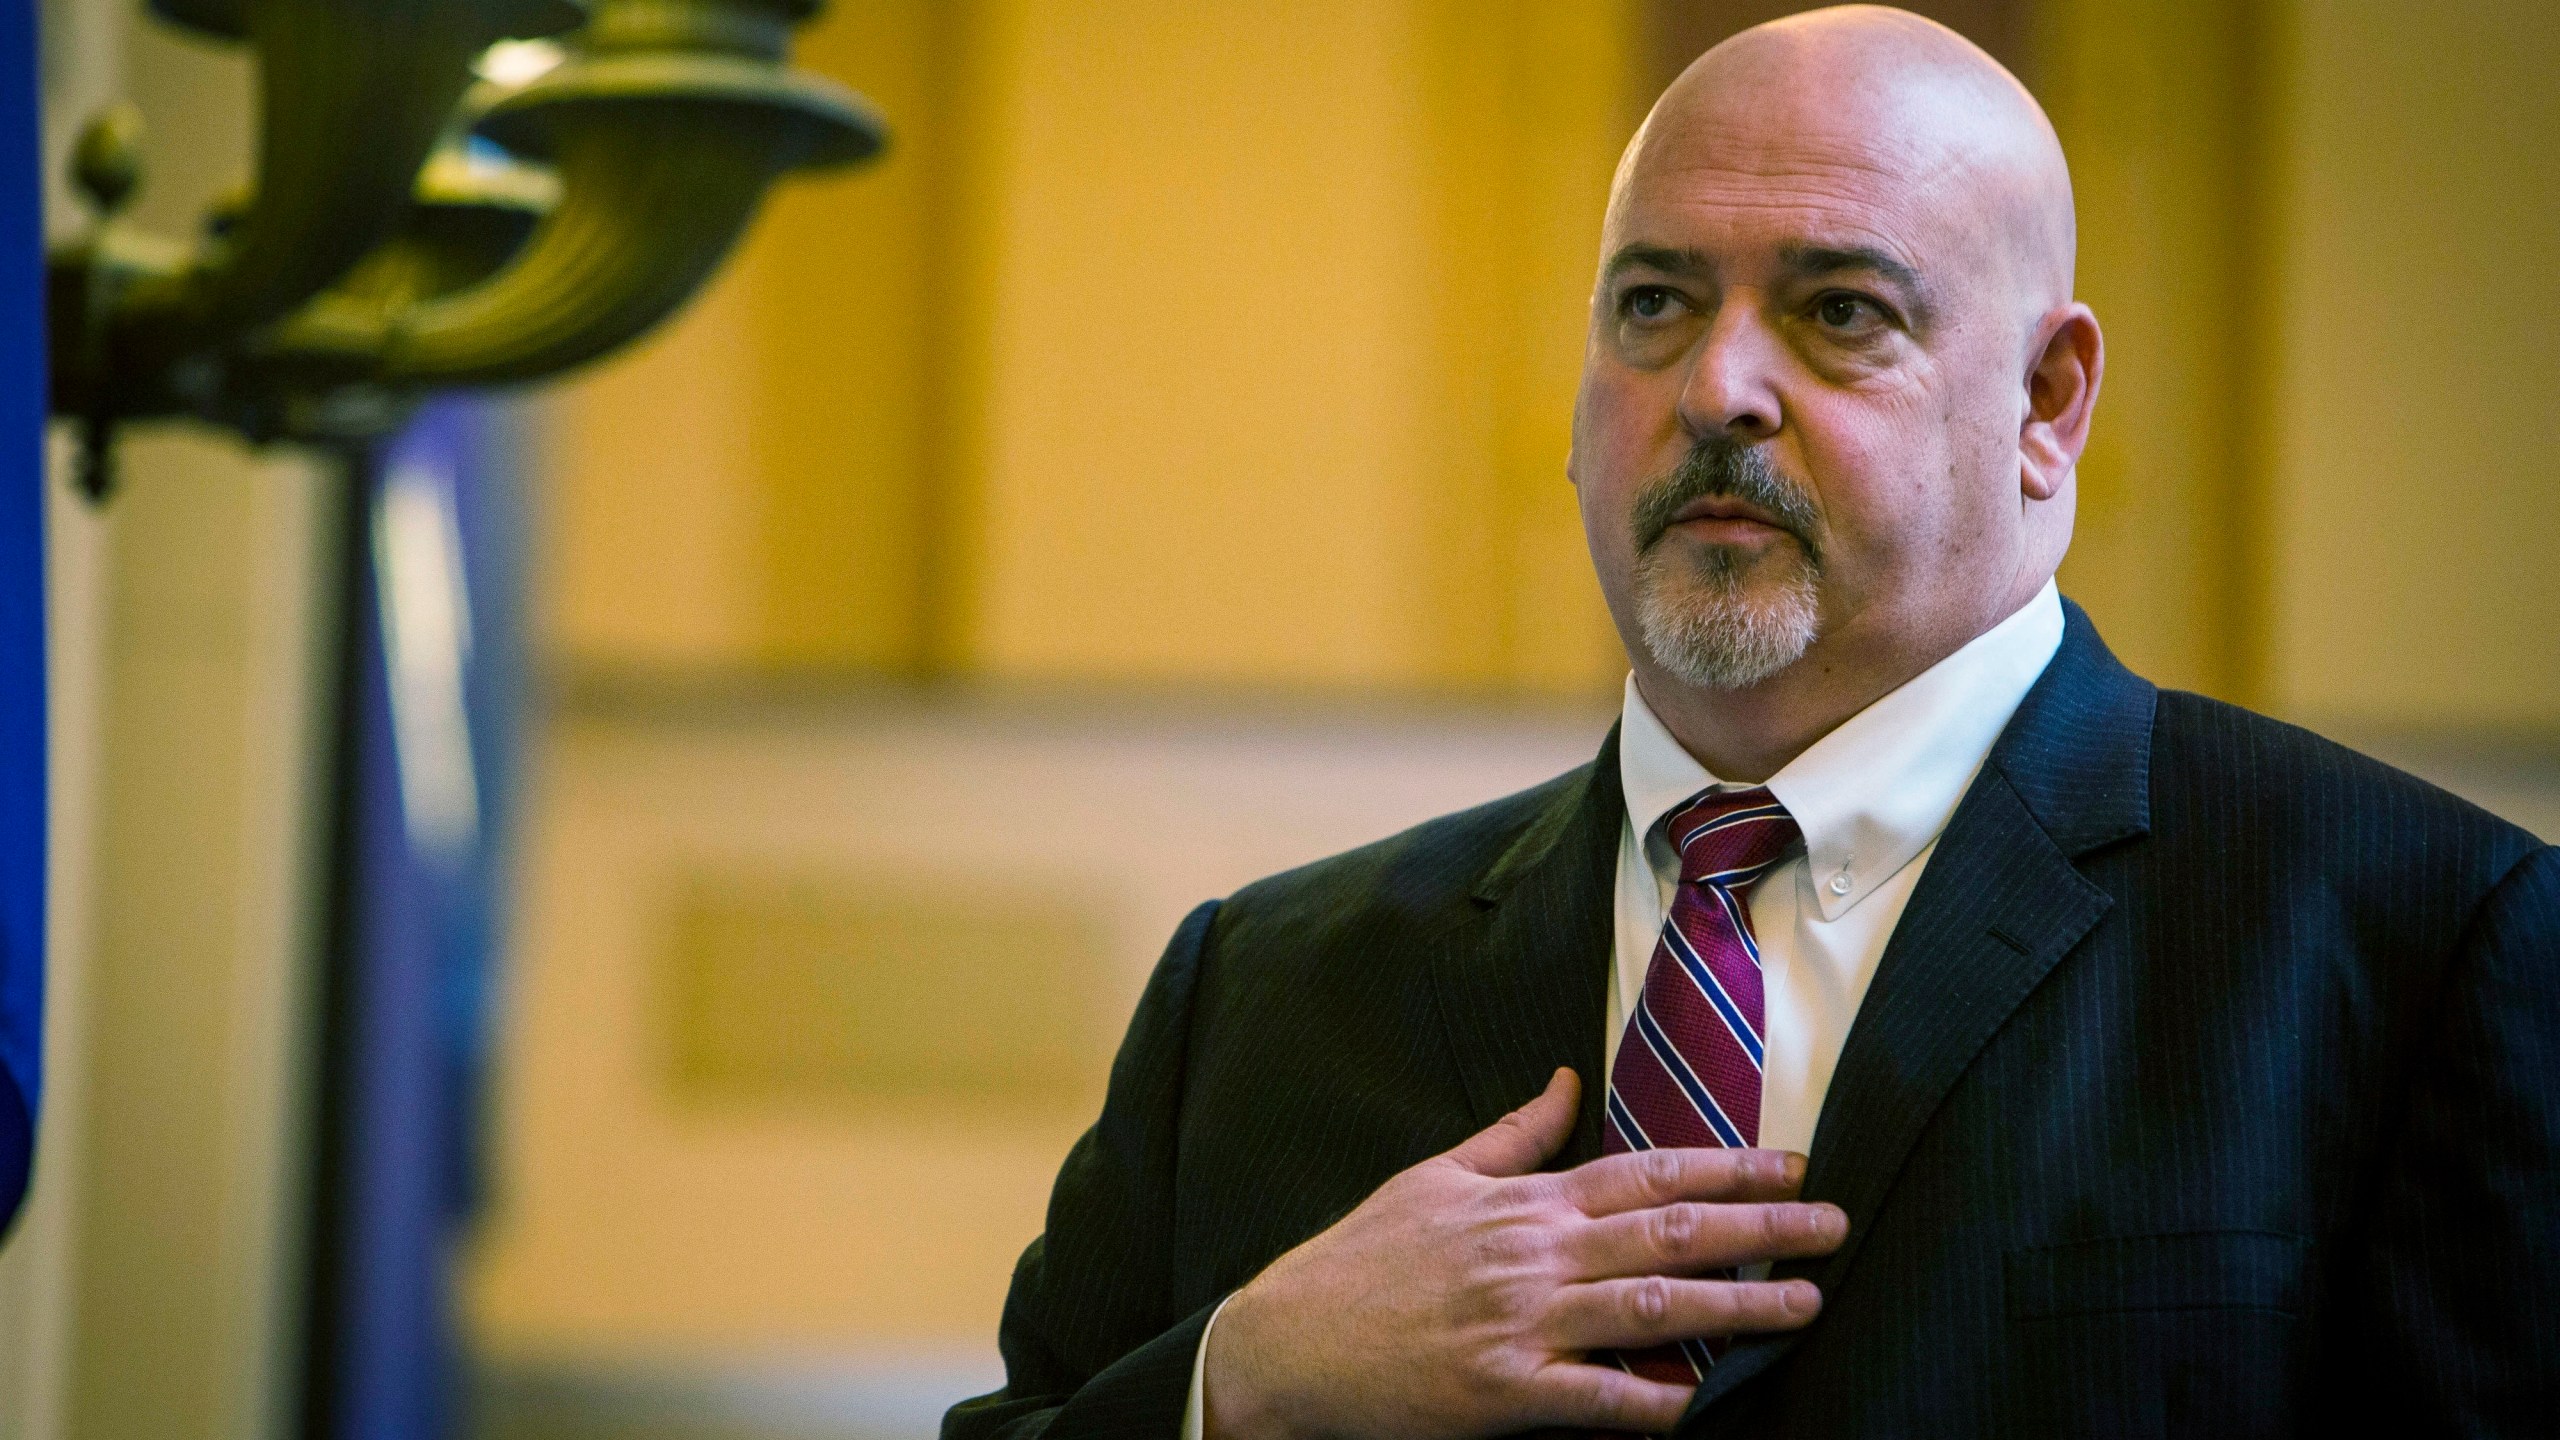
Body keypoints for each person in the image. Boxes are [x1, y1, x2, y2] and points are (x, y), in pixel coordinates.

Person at [943, 7, 2560, 1437]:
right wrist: (1244, 1390)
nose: (1716, 387)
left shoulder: (2412, 943)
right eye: (1652, 303)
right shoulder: (1265, 991)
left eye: (1839, 310)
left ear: (2048, 405)